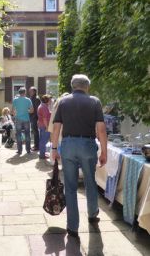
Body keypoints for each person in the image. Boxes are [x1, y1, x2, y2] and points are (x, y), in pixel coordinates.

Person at [51, 74, 107, 238]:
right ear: (87, 86)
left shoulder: (63, 102)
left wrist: (54, 148)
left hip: (68, 146)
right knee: (90, 181)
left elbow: (56, 128)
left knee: (70, 186)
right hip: (87, 145)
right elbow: (101, 130)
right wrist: (104, 151)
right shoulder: (94, 101)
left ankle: (73, 227)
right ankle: (92, 214)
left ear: (73, 86)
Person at [12, 87, 33, 155]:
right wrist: (27, 111)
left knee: (18, 135)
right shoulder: (28, 100)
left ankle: (19, 150)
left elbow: (13, 111)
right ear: (25, 92)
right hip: (26, 119)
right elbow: (32, 110)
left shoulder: (15, 100)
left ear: (19, 93)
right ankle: (28, 150)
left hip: (18, 119)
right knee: (27, 134)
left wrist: (16, 115)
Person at [37, 95, 51, 159]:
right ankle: (42, 155)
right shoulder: (44, 107)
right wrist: (47, 127)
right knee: (44, 140)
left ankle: (42, 153)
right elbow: (45, 118)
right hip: (44, 126)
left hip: (41, 125)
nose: (50, 101)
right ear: (46, 100)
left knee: (42, 140)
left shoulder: (42, 106)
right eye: (49, 100)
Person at [29, 87, 41, 151]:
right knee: (34, 132)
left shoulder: (36, 99)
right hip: (32, 117)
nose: (29, 92)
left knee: (35, 132)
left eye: (30, 91)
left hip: (34, 118)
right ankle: (36, 145)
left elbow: (36, 110)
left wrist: (35, 118)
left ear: (34, 92)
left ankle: (37, 146)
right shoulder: (32, 98)